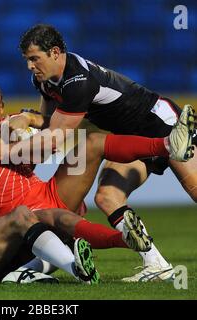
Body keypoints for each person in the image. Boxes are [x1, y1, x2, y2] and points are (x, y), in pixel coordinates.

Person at [0, 81, 191, 278]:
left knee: (92, 143)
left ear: (1, 107)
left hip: (49, 191)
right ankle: (120, 244)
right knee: (62, 220)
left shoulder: (8, 126)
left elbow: (56, 129)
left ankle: (166, 145)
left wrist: (31, 119)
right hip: (24, 214)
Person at [14, 24, 197, 281]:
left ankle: (172, 143)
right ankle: (157, 264)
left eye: (34, 59)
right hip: (129, 139)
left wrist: (8, 145)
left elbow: (54, 138)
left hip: (161, 124)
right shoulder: (44, 81)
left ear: (55, 52)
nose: (30, 66)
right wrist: (30, 120)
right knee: (107, 197)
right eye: (27, 60)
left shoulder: (78, 82)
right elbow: (48, 120)